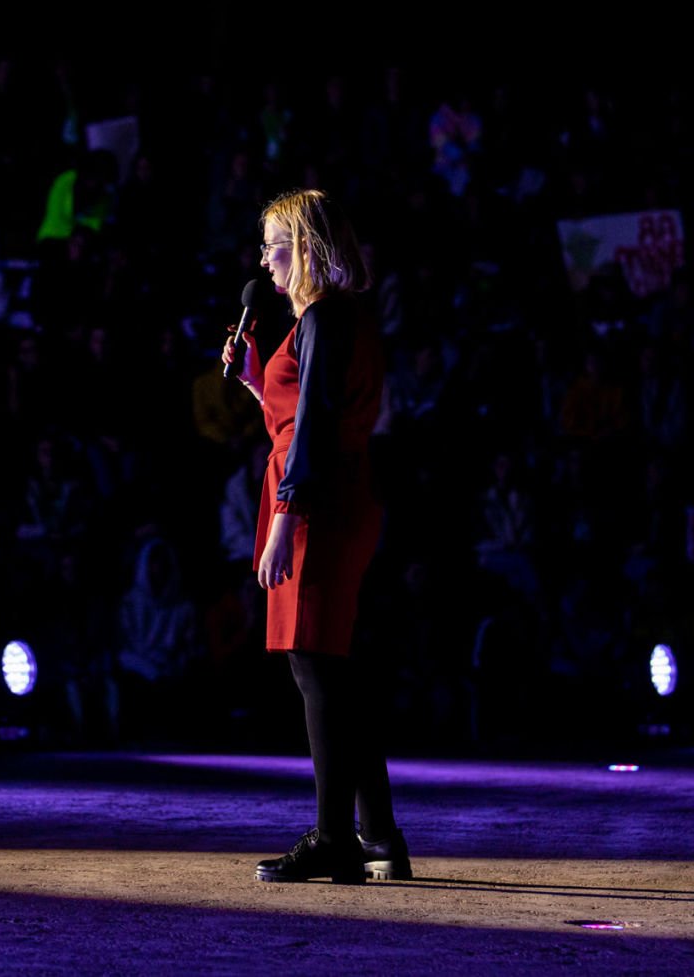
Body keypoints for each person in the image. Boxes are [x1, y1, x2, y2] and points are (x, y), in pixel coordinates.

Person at [221, 189, 412, 885]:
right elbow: (301, 413)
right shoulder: (332, 318)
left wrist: (285, 518)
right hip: (333, 492)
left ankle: (336, 838)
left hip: (318, 501)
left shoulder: (324, 318)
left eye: (273, 246)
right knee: (334, 667)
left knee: (316, 664)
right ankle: (378, 833)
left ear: (304, 247)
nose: (264, 261)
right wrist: (254, 382)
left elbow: (314, 430)